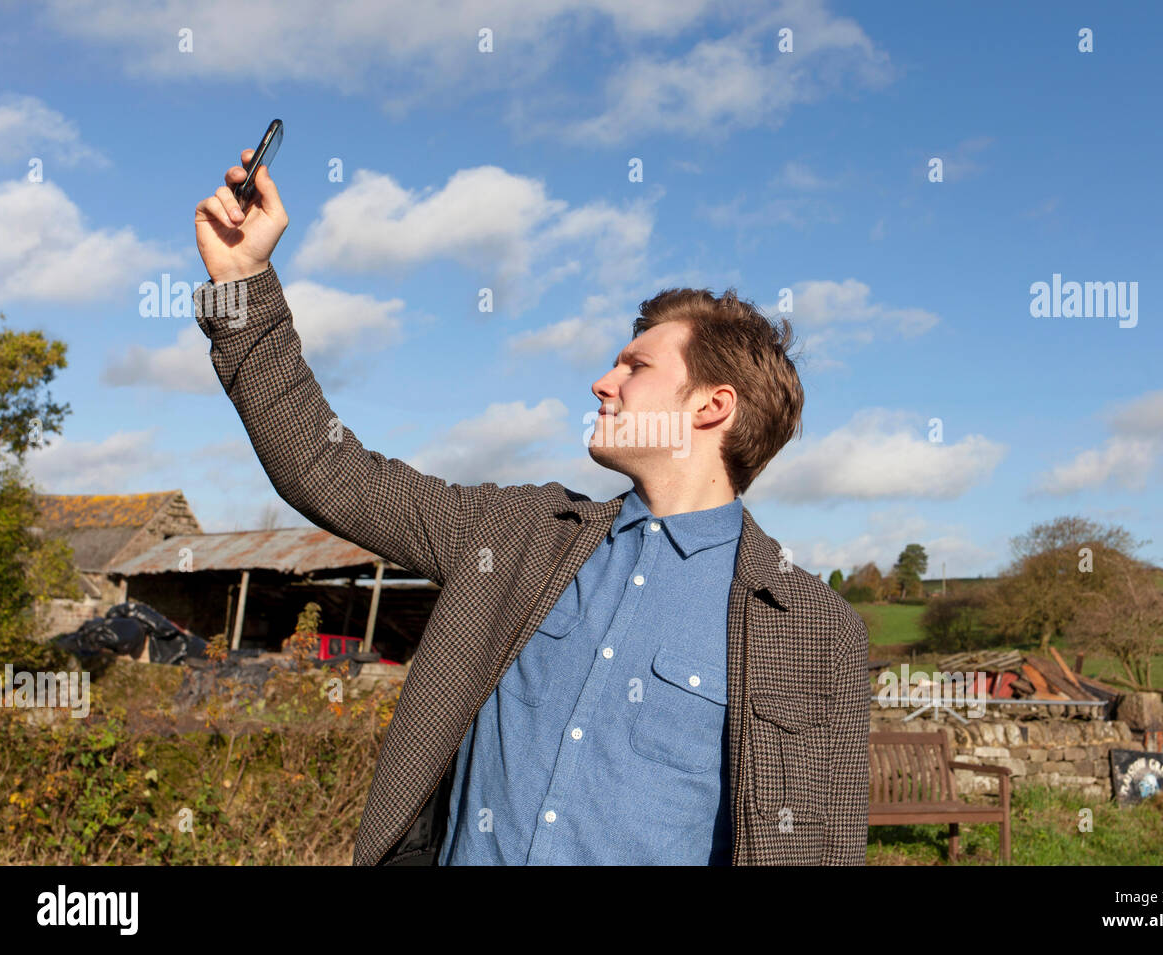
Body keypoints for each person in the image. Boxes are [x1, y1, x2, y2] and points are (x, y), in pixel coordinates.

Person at [193, 148, 870, 865]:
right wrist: (242, 286)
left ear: (712, 406)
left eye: (635, 366)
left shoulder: (814, 631)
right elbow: (326, 469)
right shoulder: (513, 535)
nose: (601, 382)